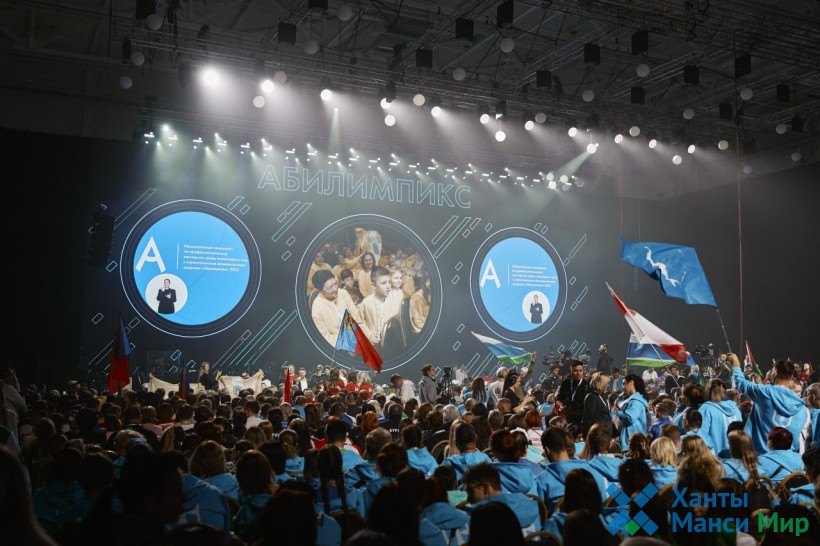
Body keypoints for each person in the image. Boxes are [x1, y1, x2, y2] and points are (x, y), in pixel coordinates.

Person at [730, 354, 810, 453]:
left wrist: (736, 365)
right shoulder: (802, 408)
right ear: (791, 376)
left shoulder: (764, 392)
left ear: (775, 372)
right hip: (789, 460)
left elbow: (741, 383)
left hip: (761, 458)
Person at [360, 266, 396, 345]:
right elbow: (360, 322)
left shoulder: (392, 300)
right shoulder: (366, 303)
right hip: (373, 343)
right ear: (373, 285)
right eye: (383, 283)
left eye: (389, 282)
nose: (388, 286)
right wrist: (369, 335)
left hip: (389, 342)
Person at [615, 374, 649, 452]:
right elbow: (619, 406)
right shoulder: (632, 399)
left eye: (624, 384)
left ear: (631, 383)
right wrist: (619, 398)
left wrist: (618, 413)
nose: (623, 387)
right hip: (630, 441)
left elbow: (629, 418)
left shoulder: (636, 401)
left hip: (631, 443)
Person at [310, 269, 344, 346]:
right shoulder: (317, 310)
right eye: (330, 287)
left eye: (335, 284)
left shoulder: (342, 293)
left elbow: (356, 317)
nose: (335, 289)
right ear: (320, 291)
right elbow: (326, 338)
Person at [556, 360, 587, 428]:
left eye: (580, 370)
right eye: (575, 371)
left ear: (583, 371)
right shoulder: (565, 383)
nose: (578, 373)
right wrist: (561, 406)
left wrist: (570, 412)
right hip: (566, 420)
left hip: (581, 421)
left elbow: (586, 408)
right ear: (571, 371)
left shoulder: (587, 385)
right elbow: (558, 399)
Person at [582, 372, 612, 438]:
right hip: (597, 436)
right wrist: (585, 436)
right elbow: (587, 418)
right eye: (607, 383)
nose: (608, 385)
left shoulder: (602, 396)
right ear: (601, 383)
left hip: (604, 435)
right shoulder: (591, 397)